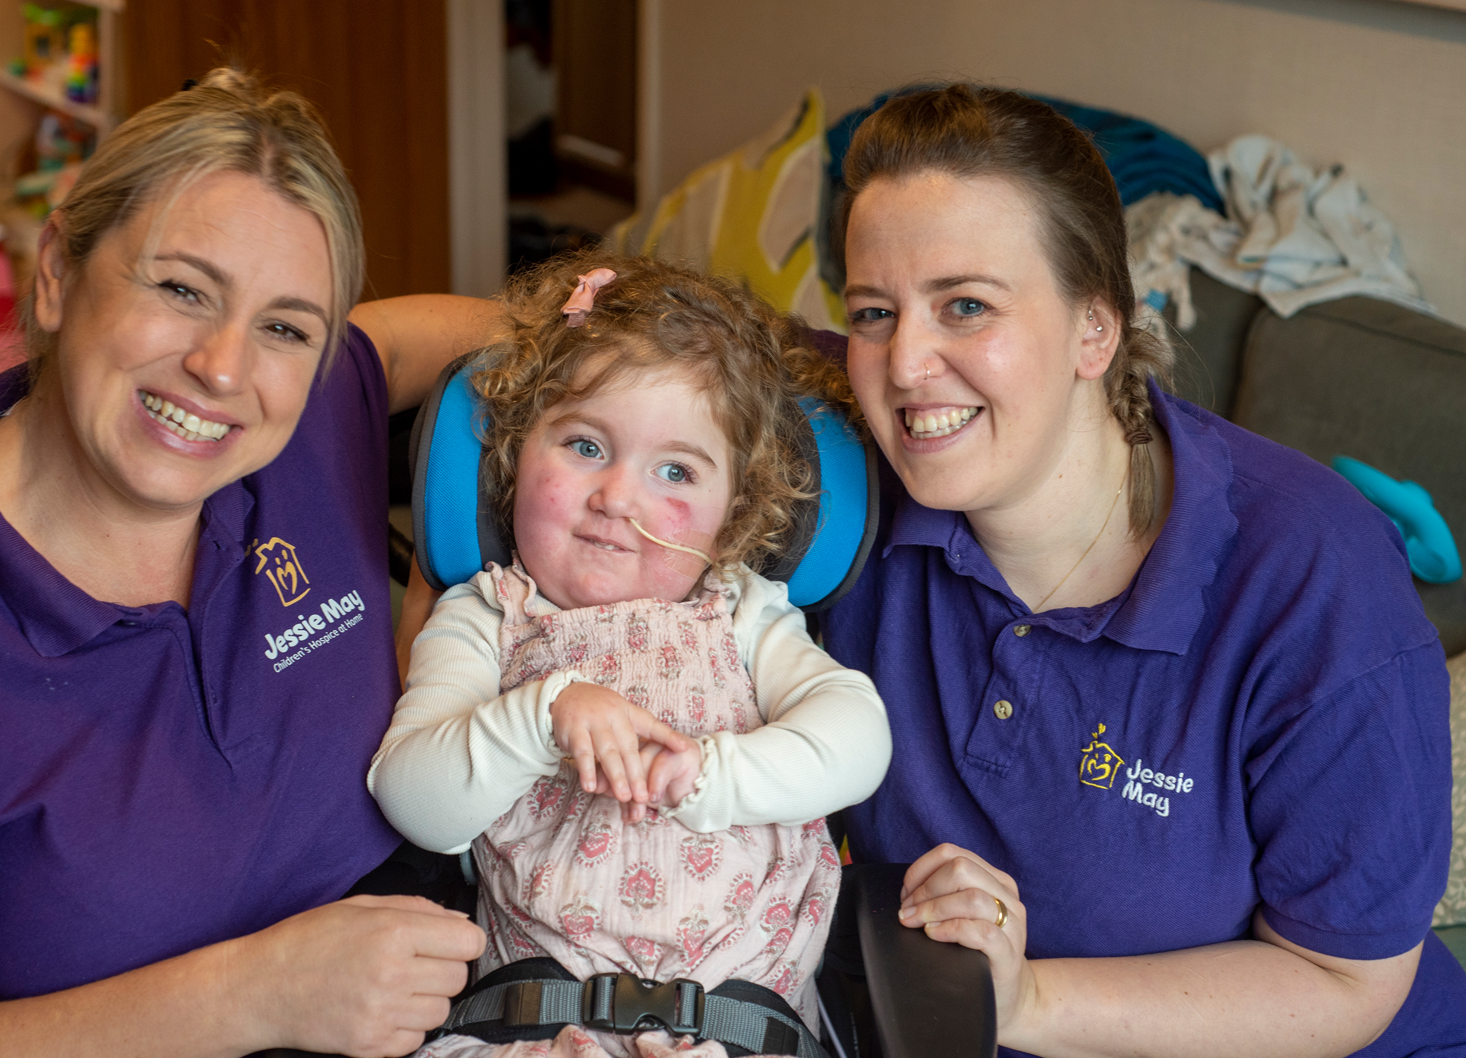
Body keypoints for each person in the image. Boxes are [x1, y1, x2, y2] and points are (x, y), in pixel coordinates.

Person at [824, 86, 1466, 1057]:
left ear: (1096, 328)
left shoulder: (1313, 584)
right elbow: (659, 355)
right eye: (874, 311)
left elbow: (1345, 980)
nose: (905, 362)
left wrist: (1027, 1001)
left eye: (967, 306)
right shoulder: (837, 467)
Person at [0, 69, 490, 1057]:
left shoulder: (307, 419)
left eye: (284, 326)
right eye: (181, 289)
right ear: (57, 272)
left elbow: (418, 342)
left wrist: (632, 348)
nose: (224, 369)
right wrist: (255, 996)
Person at [368, 255, 890, 1058]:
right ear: (515, 455)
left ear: (732, 514)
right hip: (536, 1027)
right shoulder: (488, 617)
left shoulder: (743, 614)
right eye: (584, 445)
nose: (617, 497)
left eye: (675, 471)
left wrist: (713, 775)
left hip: (742, 1032)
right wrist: (541, 717)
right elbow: (412, 800)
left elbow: (857, 739)